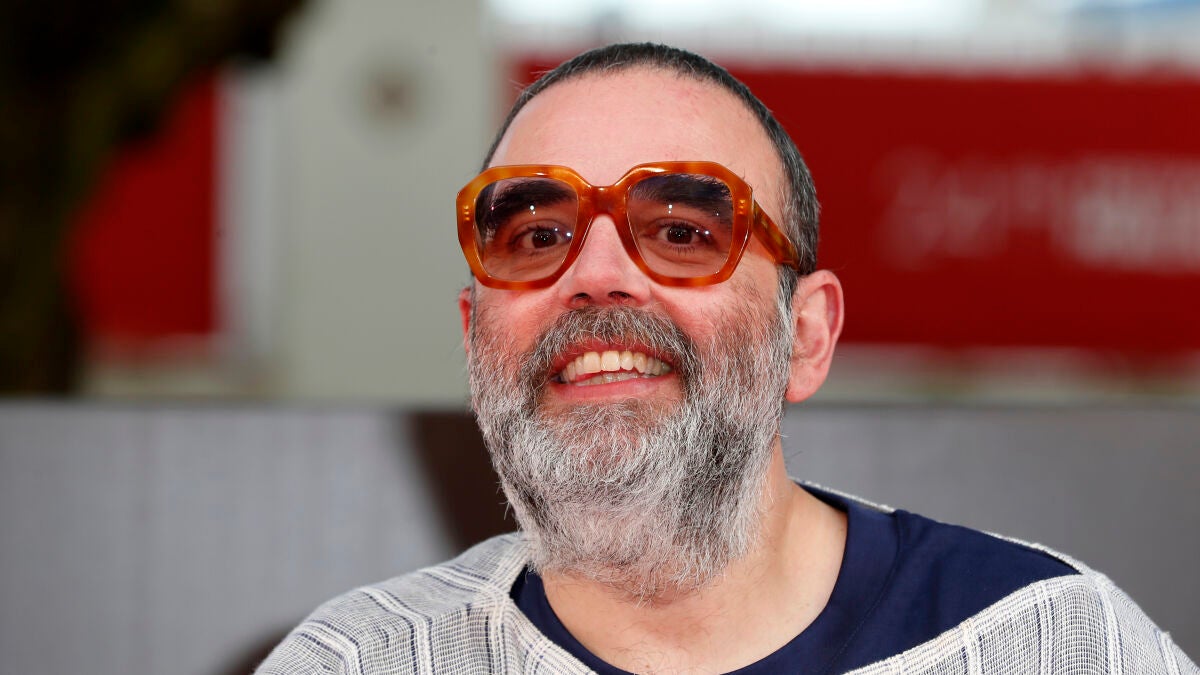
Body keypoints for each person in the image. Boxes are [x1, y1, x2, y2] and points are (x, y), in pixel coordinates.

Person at [257, 43, 1196, 674]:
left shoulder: (1057, 644)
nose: (597, 275)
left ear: (807, 336)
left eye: (680, 231)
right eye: (538, 235)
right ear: (474, 337)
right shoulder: (361, 660)